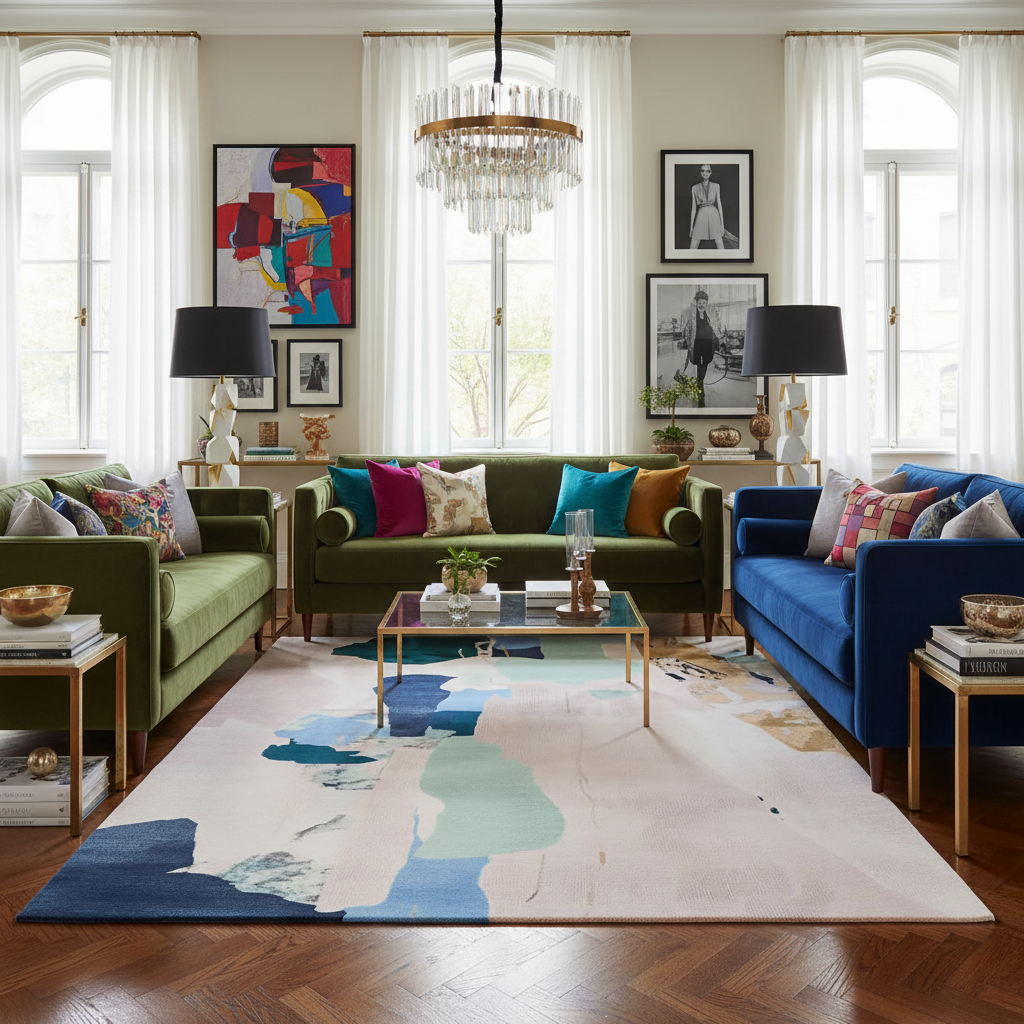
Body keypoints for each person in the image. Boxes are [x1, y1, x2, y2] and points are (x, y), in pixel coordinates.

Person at [675, 290, 725, 407]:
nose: (702, 305)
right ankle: (699, 390)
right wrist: (687, 342)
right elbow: (686, 331)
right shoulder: (691, 316)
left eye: (704, 303)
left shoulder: (708, 316)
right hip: (696, 346)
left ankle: (700, 386)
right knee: (696, 366)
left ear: (706, 303)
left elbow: (714, 329)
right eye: (700, 302)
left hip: (707, 347)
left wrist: (719, 341)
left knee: (704, 366)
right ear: (696, 303)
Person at [689, 164, 725, 250]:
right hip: (701, 215)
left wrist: (722, 225)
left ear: (711, 172)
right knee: (694, 243)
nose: (705, 173)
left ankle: (725, 261)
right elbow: (693, 208)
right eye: (703, 170)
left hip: (714, 214)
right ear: (700, 172)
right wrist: (691, 227)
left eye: (708, 171)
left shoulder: (716, 186)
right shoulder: (695, 188)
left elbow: (719, 205)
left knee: (719, 241)